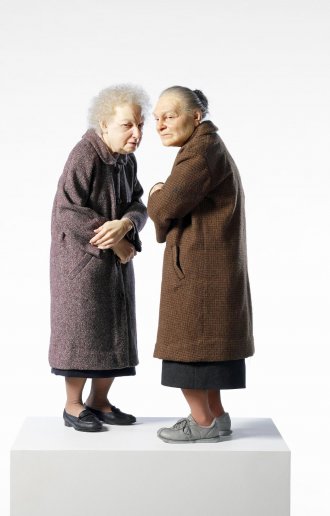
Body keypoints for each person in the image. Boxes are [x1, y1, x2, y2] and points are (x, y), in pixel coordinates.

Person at [147, 86, 254, 443]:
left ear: (196, 117)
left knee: (189, 348)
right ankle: (216, 417)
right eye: (157, 117)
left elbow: (164, 210)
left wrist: (155, 194)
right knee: (206, 347)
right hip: (210, 270)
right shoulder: (208, 147)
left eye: (170, 115)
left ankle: (202, 422)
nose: (160, 124)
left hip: (200, 274)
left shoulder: (199, 154)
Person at [49, 84, 149, 432]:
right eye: (128, 125)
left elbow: (138, 203)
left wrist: (126, 225)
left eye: (140, 125)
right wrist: (113, 240)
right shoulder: (85, 154)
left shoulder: (126, 160)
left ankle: (100, 401)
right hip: (81, 266)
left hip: (114, 267)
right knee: (83, 331)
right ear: (104, 124)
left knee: (113, 333)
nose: (136, 133)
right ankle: (73, 406)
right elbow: (67, 211)